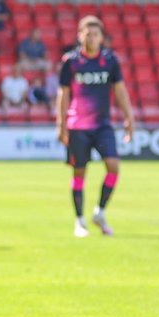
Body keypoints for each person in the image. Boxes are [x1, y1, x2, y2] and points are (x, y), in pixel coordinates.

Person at [57, 16, 136, 238]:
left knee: (113, 166)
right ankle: (79, 221)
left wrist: (129, 117)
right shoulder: (70, 62)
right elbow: (63, 93)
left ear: (102, 38)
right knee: (80, 171)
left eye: (96, 34)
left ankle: (100, 212)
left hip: (102, 125)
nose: (91, 38)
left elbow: (120, 90)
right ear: (80, 36)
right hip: (77, 126)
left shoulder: (110, 61)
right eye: (87, 33)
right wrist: (61, 124)